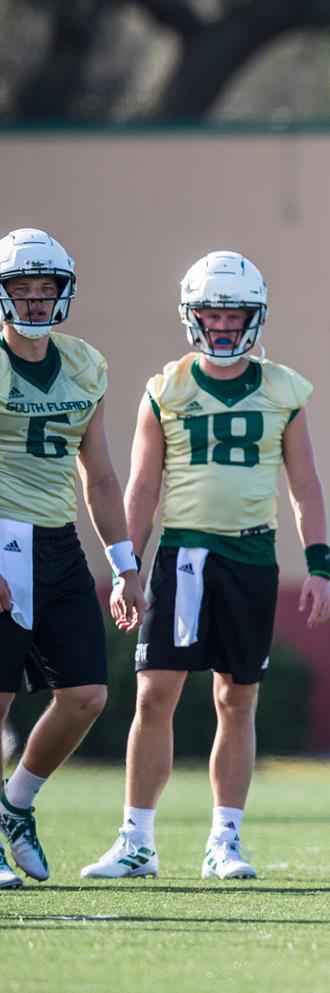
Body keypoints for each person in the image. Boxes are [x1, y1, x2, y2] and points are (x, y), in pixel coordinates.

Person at [81, 251, 330, 881]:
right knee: (155, 693)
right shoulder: (166, 387)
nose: (223, 326)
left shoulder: (285, 388)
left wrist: (321, 566)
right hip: (184, 556)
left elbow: (305, 486)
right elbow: (142, 488)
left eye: (234, 314)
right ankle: (136, 839)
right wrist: (126, 567)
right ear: (192, 317)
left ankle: (225, 839)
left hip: (251, 555)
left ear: (255, 317)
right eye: (212, 314)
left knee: (237, 699)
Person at [0, 227, 146, 889]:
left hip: (57, 541)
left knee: (86, 694)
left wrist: (125, 565)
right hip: (3, 537)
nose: (34, 301)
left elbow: (102, 475)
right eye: (22, 289)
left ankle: (15, 804)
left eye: (45, 289)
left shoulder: (86, 364)